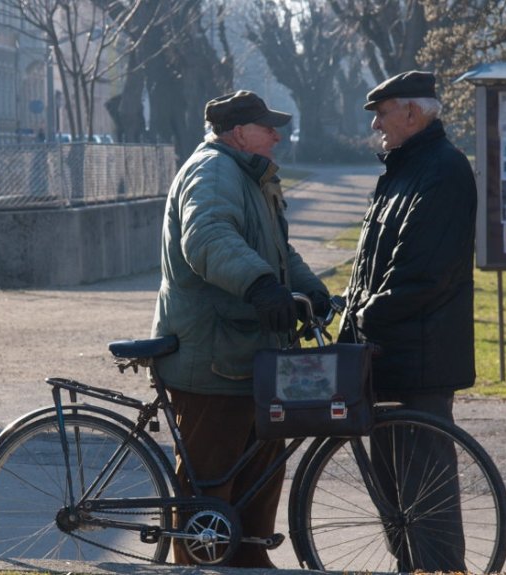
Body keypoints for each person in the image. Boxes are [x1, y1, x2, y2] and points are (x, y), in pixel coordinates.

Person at [151, 89, 330, 567]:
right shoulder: (212, 172)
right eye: (267, 127)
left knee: (260, 466)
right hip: (213, 357)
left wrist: (314, 293)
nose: (277, 134)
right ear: (237, 133)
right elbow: (207, 238)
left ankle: (250, 558)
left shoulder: (249, 176)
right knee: (209, 484)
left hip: (248, 354)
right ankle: (200, 565)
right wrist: (260, 287)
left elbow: (279, 252)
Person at [339, 70, 477, 571]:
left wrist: (362, 314)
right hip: (388, 356)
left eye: (382, 112)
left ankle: (438, 571)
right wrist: (350, 311)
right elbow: (372, 265)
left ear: (412, 113)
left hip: (421, 359)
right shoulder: (402, 170)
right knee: (396, 498)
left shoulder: (442, 170)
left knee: (425, 498)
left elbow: (423, 273)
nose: (376, 123)